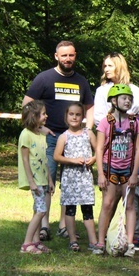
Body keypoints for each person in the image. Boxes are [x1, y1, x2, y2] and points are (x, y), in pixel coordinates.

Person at [22, 40, 94, 242]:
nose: (68, 59)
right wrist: (39, 127)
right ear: (56, 56)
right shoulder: (44, 78)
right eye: (64, 55)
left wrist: (87, 128)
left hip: (75, 140)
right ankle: (43, 226)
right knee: (46, 182)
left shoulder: (81, 81)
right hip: (51, 140)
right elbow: (27, 105)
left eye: (71, 55)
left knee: (69, 183)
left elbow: (89, 106)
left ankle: (64, 224)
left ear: (75, 56)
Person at [93, 84, 139, 256]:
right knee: (107, 204)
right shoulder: (105, 122)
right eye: (124, 98)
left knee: (130, 205)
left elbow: (138, 149)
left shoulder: (135, 122)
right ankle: (100, 242)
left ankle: (129, 243)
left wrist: (134, 173)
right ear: (114, 101)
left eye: (130, 98)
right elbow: (99, 149)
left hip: (128, 170)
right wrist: (100, 174)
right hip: (110, 169)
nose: (128, 101)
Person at [53, 103, 98, 252]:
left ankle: (93, 241)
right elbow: (56, 156)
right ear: (66, 116)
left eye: (78, 114)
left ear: (83, 117)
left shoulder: (88, 133)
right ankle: (72, 240)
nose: (74, 117)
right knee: (70, 210)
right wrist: (72, 160)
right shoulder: (63, 137)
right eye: (71, 114)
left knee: (87, 210)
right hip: (70, 180)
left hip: (85, 179)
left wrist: (94, 158)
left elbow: (99, 150)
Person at [18, 100, 54, 254]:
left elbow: (44, 159)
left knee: (37, 210)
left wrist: (50, 180)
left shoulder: (40, 135)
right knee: (41, 211)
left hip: (42, 179)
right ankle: (26, 244)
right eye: (43, 113)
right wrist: (31, 182)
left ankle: (36, 241)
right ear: (34, 116)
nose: (46, 116)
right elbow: (25, 160)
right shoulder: (26, 135)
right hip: (35, 180)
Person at [93, 53, 139, 124]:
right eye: (105, 66)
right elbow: (98, 116)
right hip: (109, 131)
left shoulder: (134, 90)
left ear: (119, 67)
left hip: (131, 130)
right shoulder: (102, 90)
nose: (106, 69)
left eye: (110, 66)